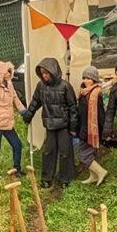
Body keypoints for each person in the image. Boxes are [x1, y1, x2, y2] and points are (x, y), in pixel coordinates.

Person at [23, 57, 78, 188]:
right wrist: (28, 115)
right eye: (42, 73)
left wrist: (73, 128)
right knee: (49, 152)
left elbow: (73, 108)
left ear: (54, 71)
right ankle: (47, 178)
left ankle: (65, 178)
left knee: (65, 153)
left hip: (64, 126)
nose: (44, 76)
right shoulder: (41, 86)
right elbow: (35, 102)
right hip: (50, 125)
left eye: (47, 73)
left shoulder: (65, 86)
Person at [74, 66, 110, 185]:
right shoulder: (84, 92)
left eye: (88, 78)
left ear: (94, 79)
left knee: (82, 153)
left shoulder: (96, 93)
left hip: (91, 129)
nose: (86, 80)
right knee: (89, 152)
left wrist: (103, 130)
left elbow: (100, 114)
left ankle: (101, 172)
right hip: (83, 127)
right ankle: (93, 176)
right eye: (84, 78)